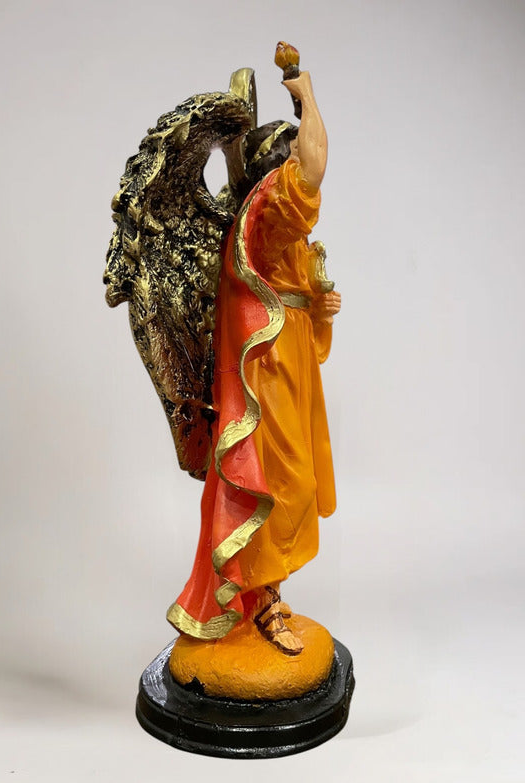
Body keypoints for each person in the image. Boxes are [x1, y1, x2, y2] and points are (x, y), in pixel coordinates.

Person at [166, 71, 342, 655]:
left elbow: (304, 318)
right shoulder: (267, 211)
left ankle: (265, 592)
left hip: (290, 363)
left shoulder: (285, 232)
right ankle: (262, 602)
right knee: (277, 484)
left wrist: (320, 311)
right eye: (288, 158)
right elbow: (314, 165)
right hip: (264, 374)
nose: (298, 167)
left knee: (293, 481)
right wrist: (306, 94)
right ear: (274, 169)